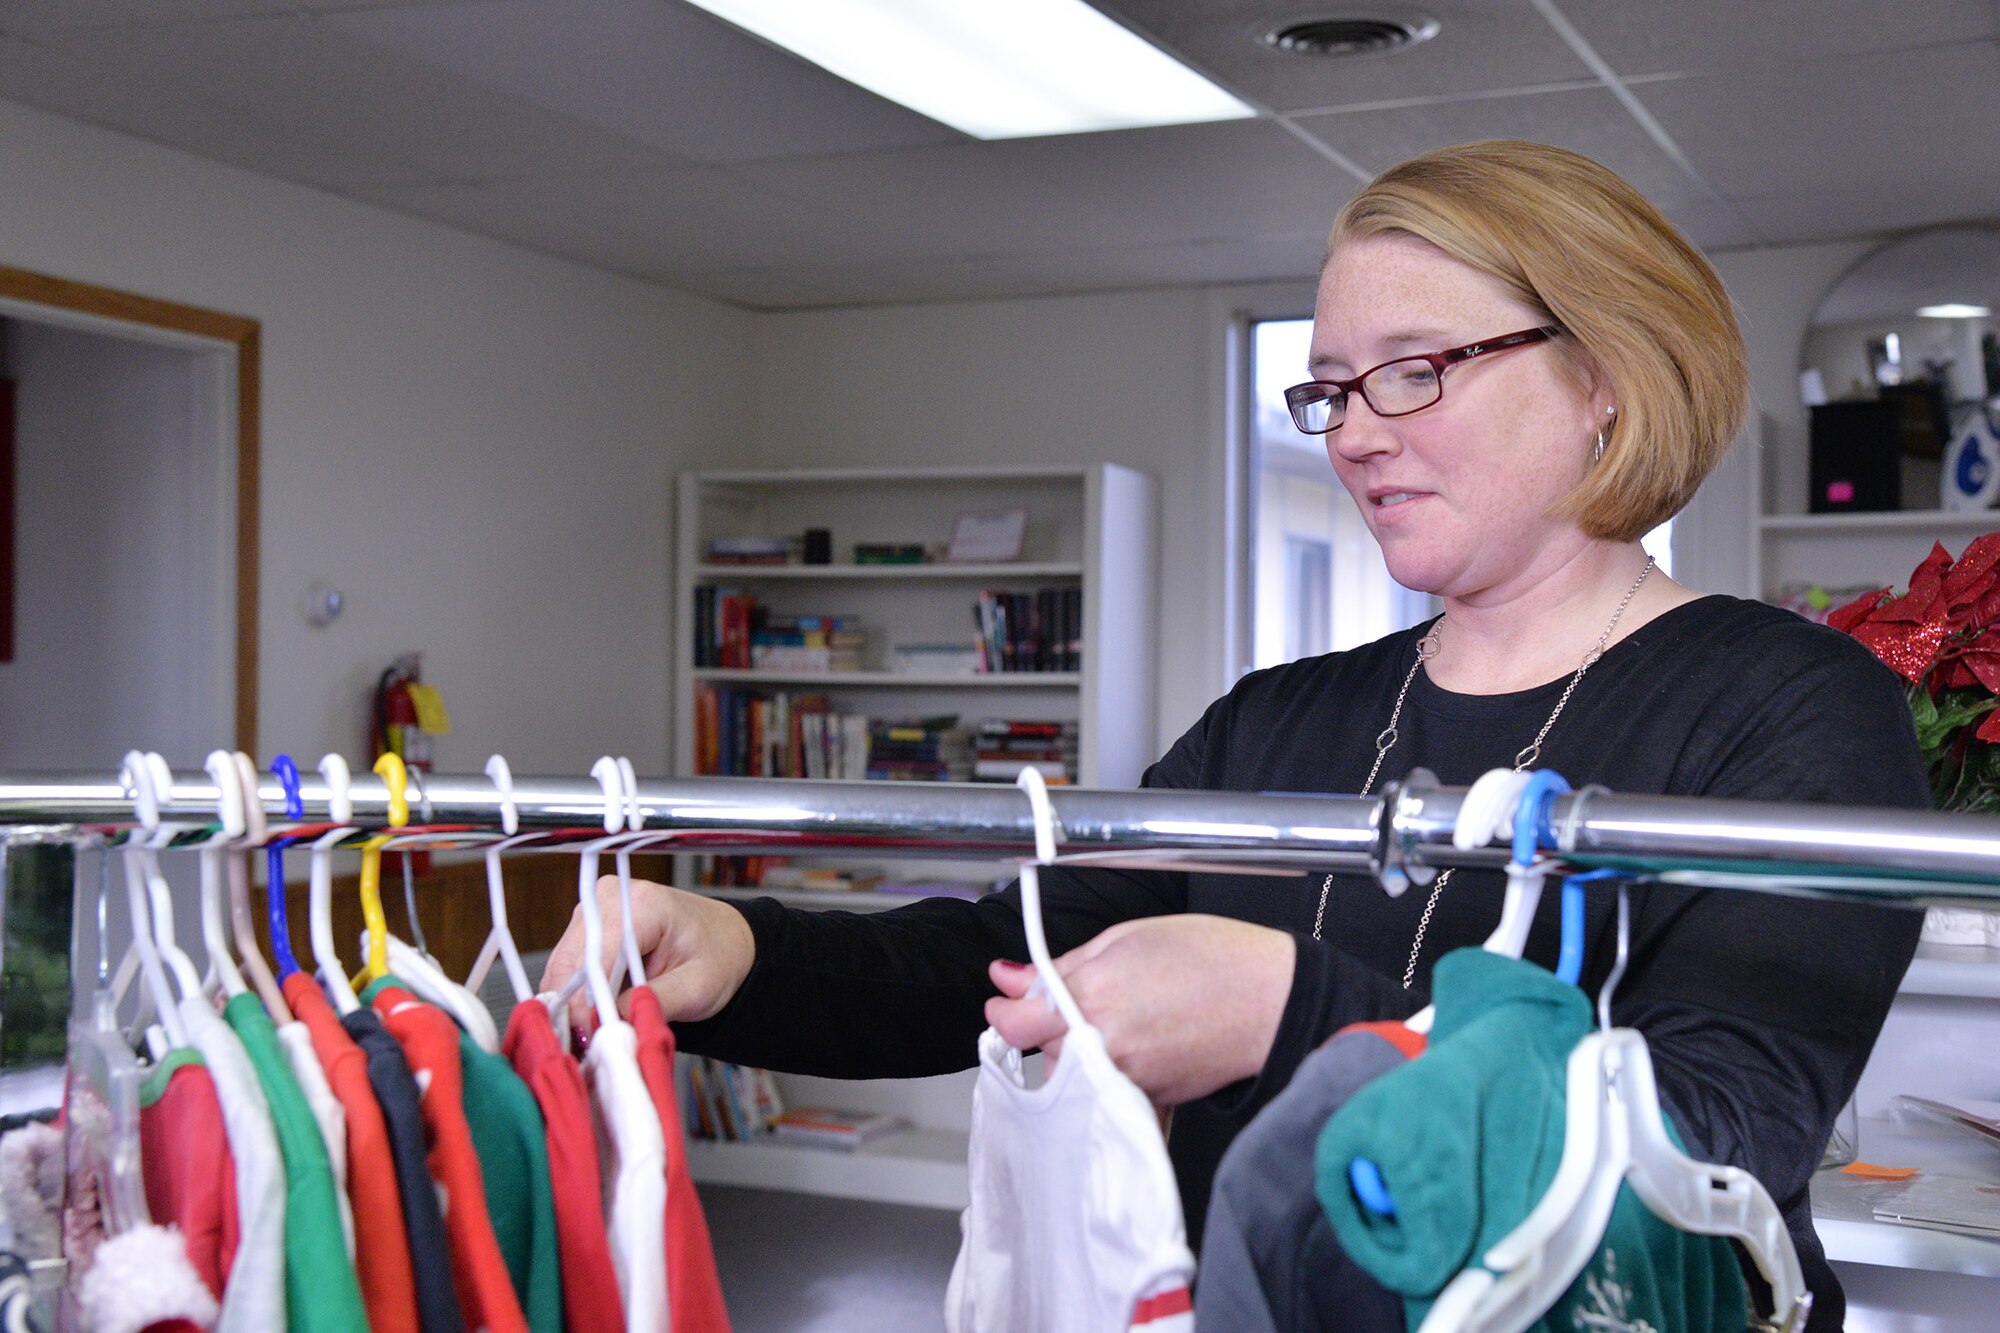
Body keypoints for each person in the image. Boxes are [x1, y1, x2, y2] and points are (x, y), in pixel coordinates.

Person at [544, 140, 1924, 1331]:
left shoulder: (1798, 709)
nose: (1356, 435)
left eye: (1416, 370)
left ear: (1607, 376)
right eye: (1330, 390)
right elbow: (1003, 960)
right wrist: (741, 953)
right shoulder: (1280, 717)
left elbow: (1715, 1143)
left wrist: (1290, 1012)